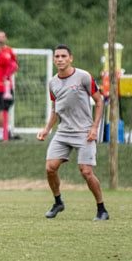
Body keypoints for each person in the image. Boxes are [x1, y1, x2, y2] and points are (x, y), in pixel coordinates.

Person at [37, 44, 108, 221]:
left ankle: (101, 209)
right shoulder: (52, 82)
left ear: (71, 58)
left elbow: (99, 102)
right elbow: (55, 109)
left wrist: (94, 128)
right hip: (63, 132)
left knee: (86, 172)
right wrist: (47, 129)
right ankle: (58, 202)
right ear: (54, 60)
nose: (60, 59)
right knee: (50, 167)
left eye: (63, 56)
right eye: (57, 56)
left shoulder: (84, 77)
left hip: (85, 132)